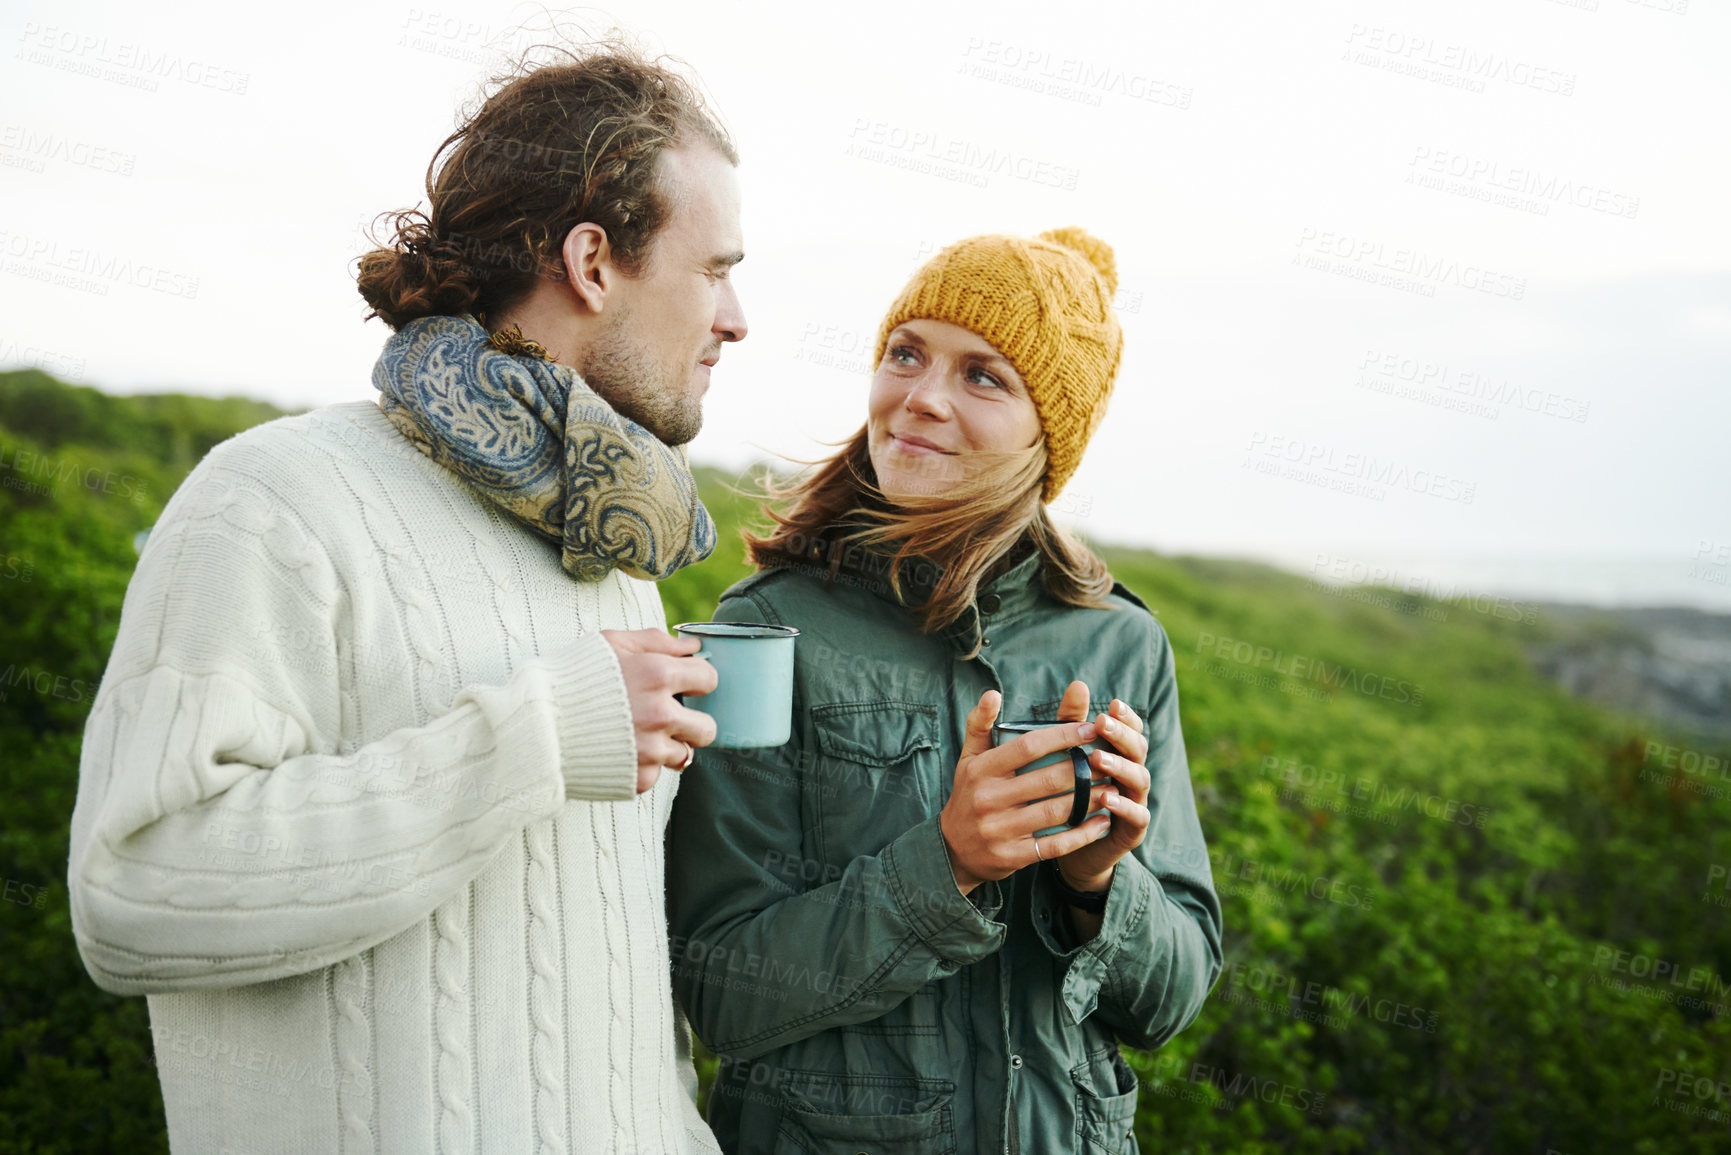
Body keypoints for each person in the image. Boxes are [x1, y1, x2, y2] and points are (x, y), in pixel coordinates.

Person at [67, 43, 743, 1154]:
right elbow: (135, 891)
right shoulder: (273, 500)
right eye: (715, 268)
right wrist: (533, 737)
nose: (736, 318)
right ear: (591, 262)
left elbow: (609, 987)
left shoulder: (613, 555)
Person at [667, 227, 1222, 1153]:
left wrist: (1097, 882)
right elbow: (718, 992)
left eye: (982, 376)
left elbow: (1169, 1001)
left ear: (1051, 431)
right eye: (906, 354)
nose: (920, 399)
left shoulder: (1124, 642)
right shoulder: (767, 629)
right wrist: (949, 861)